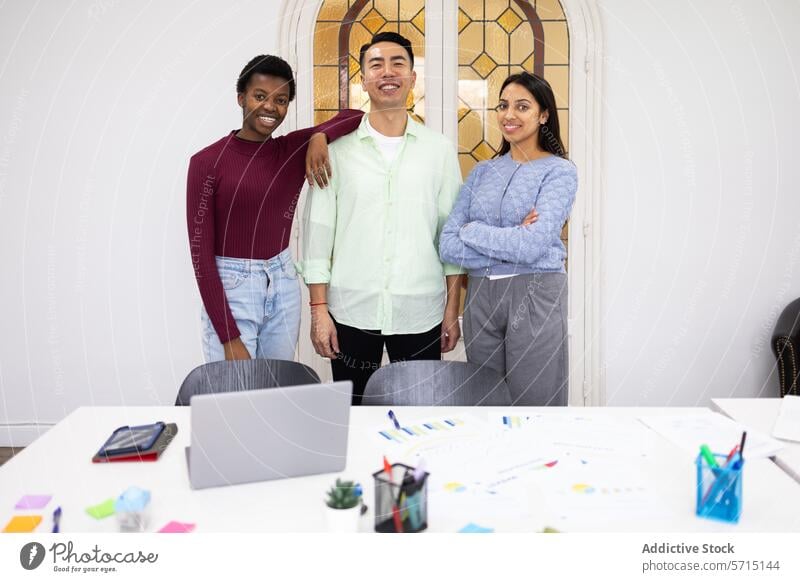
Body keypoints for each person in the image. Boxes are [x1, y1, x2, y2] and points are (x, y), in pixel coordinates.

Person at [299, 32, 466, 404]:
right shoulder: (335, 151)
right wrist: (318, 311)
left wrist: (452, 310)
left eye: (398, 63)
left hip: (421, 310)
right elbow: (318, 234)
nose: (387, 72)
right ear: (362, 79)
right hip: (350, 309)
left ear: (412, 77)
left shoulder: (438, 151)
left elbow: (450, 236)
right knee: (356, 415)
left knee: (420, 415)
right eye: (376, 64)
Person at [187, 55, 363, 362]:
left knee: (276, 392)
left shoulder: (290, 150)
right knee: (234, 396)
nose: (270, 107)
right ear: (241, 98)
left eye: (281, 100)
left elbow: (355, 115)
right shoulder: (207, 163)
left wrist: (320, 136)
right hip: (232, 289)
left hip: (282, 283)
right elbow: (201, 259)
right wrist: (229, 338)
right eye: (260, 96)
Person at [439, 72, 577, 405]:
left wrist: (473, 232)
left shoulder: (559, 171)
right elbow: (448, 243)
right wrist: (513, 239)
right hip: (481, 296)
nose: (509, 114)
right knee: (484, 401)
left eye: (522, 106)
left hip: (535, 291)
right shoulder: (483, 171)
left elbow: (533, 245)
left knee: (535, 403)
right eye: (503, 105)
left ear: (543, 115)